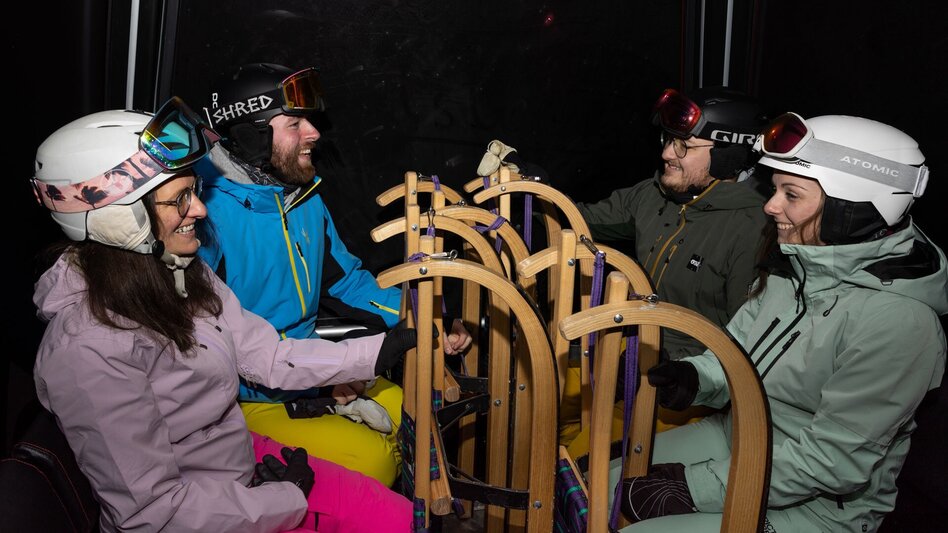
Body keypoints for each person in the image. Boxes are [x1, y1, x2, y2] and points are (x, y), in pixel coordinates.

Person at [30, 98, 415, 532]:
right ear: (119, 220)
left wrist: (379, 351)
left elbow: (266, 355)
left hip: (238, 459)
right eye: (180, 199)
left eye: (194, 191)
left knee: (402, 519)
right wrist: (284, 498)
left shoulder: (181, 273)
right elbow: (153, 515)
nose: (200, 209)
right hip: (204, 507)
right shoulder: (88, 348)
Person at [615, 112, 947, 532]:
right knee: (608, 486)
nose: (770, 206)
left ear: (852, 209)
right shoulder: (797, 268)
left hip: (819, 505)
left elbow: (831, 461)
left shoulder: (900, 324)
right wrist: (697, 377)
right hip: (741, 434)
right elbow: (735, 352)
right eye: (774, 190)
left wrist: (694, 488)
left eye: (792, 195)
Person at [197, 63, 471, 487]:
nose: (314, 133)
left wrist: (424, 318)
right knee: (373, 461)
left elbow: (345, 281)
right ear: (251, 134)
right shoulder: (204, 219)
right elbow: (207, 352)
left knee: (423, 410)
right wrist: (319, 386)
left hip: (308, 372)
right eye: (294, 124)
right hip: (242, 399)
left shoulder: (301, 199)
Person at [560, 87, 770, 452]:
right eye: (668, 140)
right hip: (625, 349)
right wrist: (537, 196)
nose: (666, 154)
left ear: (728, 155)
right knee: (541, 395)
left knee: (581, 465)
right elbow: (584, 220)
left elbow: (749, 350)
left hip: (681, 388)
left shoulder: (754, 230)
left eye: (684, 146)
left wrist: (678, 371)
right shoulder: (659, 193)